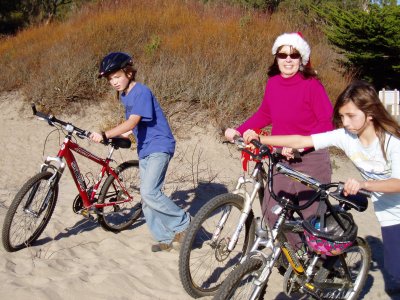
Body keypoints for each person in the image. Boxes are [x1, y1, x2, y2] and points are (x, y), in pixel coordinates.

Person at [243, 80, 400, 294]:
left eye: (351, 116)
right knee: (393, 278)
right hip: (387, 212)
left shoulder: (392, 142)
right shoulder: (346, 137)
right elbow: (301, 140)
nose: (345, 122)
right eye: (342, 116)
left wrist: (364, 184)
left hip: (396, 210)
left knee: (395, 279)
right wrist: (261, 138)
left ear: (370, 113)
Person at [225, 32, 334, 250]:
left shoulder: (311, 85)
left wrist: (300, 145)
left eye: (294, 55)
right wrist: (238, 131)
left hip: (310, 159)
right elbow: (264, 115)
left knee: (310, 217)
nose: (288, 60)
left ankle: (322, 265)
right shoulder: (273, 83)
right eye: (282, 54)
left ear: (302, 58)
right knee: (271, 213)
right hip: (281, 160)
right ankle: (297, 254)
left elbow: (326, 123)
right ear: (276, 57)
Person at [90, 52, 190, 252]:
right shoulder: (126, 96)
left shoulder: (141, 91)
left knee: (150, 192)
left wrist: (106, 134)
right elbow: (135, 125)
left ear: (128, 72)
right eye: (110, 79)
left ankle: (185, 225)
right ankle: (167, 239)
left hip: (160, 145)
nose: (114, 82)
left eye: (117, 76)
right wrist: (124, 135)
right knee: (147, 199)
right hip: (145, 149)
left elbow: (133, 120)